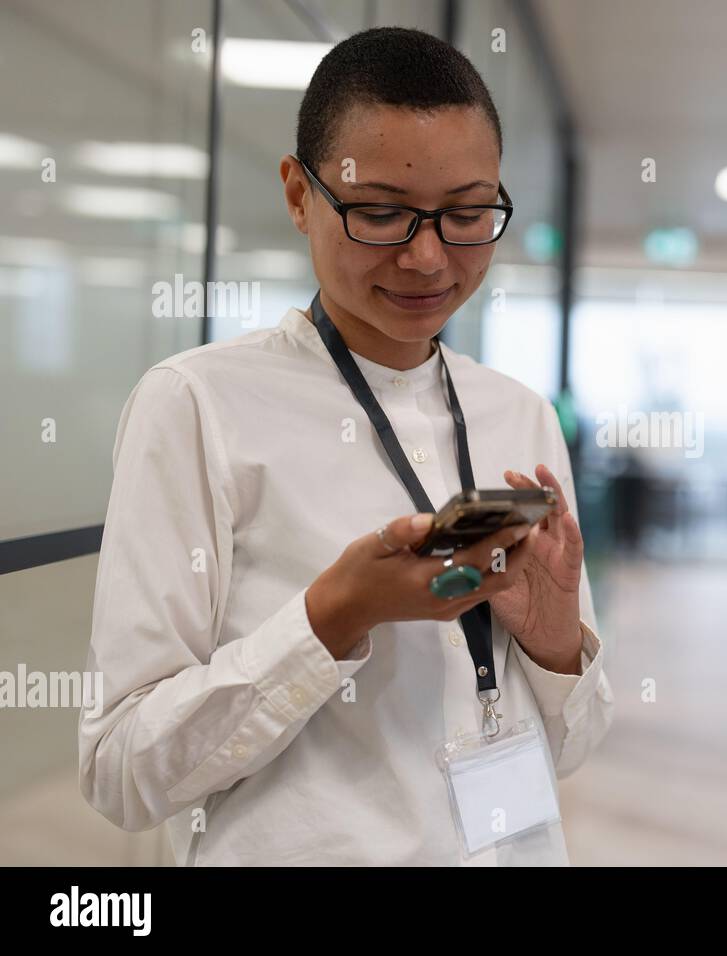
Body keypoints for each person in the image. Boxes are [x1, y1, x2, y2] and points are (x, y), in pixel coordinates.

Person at [78, 27, 613, 866]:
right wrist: (332, 618)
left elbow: (574, 747)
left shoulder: (518, 415)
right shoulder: (197, 405)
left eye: (468, 214)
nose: (428, 256)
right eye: (381, 213)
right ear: (300, 195)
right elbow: (121, 770)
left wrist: (553, 642)